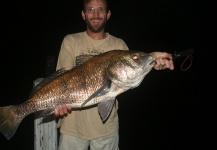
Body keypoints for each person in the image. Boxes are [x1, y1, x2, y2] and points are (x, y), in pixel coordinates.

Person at [54, 0, 174, 150]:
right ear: (83, 14)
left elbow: (129, 78)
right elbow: (61, 78)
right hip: (72, 129)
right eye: (90, 10)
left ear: (108, 14)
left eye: (100, 10)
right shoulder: (71, 41)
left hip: (106, 131)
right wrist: (58, 102)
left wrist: (151, 62)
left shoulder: (119, 45)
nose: (96, 15)